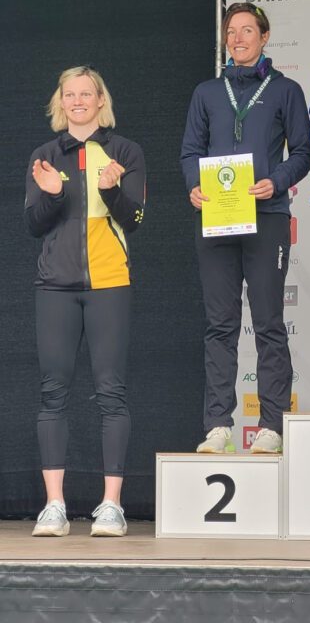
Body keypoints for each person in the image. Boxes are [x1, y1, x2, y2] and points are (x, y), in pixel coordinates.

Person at [181, 2, 310, 454]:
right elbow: (190, 151)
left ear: (264, 37)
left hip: (267, 215)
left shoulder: (286, 90)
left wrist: (277, 180)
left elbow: (303, 152)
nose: (237, 39)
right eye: (231, 32)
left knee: (268, 322)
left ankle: (271, 425)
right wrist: (194, 185)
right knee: (220, 325)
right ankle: (218, 425)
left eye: (247, 31)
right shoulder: (206, 92)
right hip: (217, 217)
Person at [25, 66, 146, 537]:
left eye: (86, 94)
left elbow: (134, 219)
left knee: (111, 392)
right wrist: (55, 194)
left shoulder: (125, 152)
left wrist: (111, 189)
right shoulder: (44, 155)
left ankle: (111, 506)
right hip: (54, 287)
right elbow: (34, 224)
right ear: (61, 102)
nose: (77, 101)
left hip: (109, 284)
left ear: (100, 101)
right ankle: (53, 505)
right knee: (52, 393)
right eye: (69, 94)